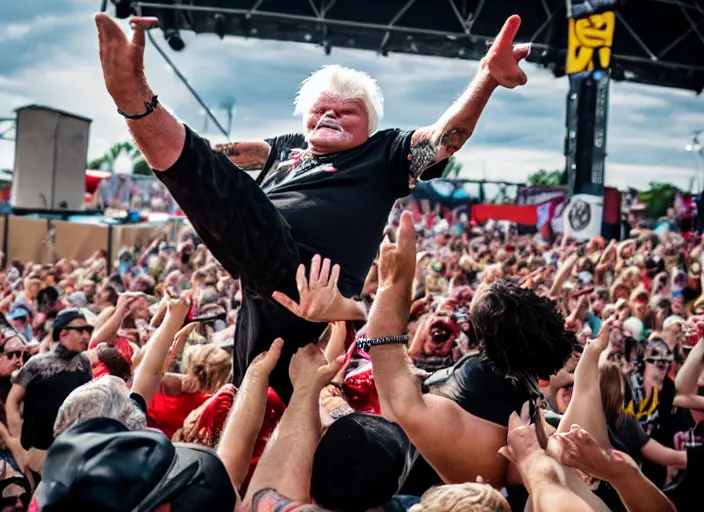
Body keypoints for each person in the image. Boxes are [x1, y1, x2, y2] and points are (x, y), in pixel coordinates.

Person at [94, 12, 530, 401]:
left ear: (369, 125)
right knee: (254, 395)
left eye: (346, 112)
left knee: (249, 212)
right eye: (321, 110)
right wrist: (169, 149)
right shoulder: (287, 149)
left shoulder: (385, 153)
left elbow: (442, 138)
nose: (330, 117)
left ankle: (136, 100)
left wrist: (487, 78)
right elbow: (210, 160)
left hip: (312, 285)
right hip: (259, 290)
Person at [4, 309, 93, 475]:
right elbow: (12, 402)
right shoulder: (37, 364)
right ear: (63, 333)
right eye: (81, 330)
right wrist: (20, 445)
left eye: (88, 331)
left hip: (73, 449)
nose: (86, 337)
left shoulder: (84, 363)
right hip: (39, 451)